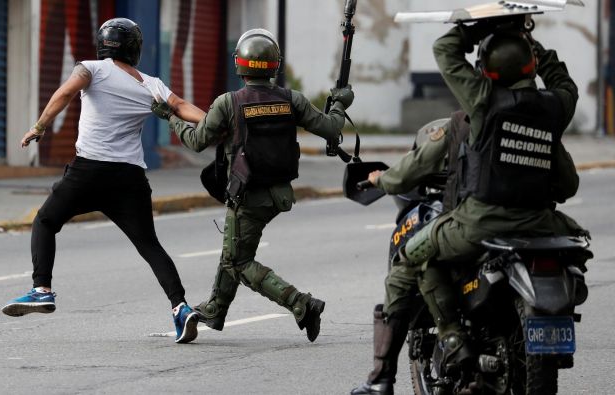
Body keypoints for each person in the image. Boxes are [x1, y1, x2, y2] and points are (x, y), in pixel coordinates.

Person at [351, 20, 587, 394]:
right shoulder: (554, 109)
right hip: (542, 226)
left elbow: (446, 50)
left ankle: (440, 345)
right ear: (531, 67)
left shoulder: (481, 106)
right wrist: (531, 42)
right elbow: (568, 178)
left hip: (481, 225)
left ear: (485, 72)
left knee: (411, 256)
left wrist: (484, 26)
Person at [1, 18, 206, 344]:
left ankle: (42, 290)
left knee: (45, 221)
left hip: (89, 172)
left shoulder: (91, 69)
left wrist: (39, 127)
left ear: (103, 44)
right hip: (130, 179)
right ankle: (180, 306)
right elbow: (180, 107)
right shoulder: (150, 83)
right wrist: (214, 123)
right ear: (135, 49)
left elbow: (66, 92)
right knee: (149, 245)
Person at [152, 28, 353, 342]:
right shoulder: (292, 99)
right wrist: (340, 103)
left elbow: (195, 141)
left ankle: (301, 304)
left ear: (239, 64)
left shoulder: (228, 103)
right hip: (280, 194)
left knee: (238, 260)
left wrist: (170, 117)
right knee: (233, 249)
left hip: (247, 194)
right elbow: (331, 127)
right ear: (275, 65)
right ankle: (216, 309)